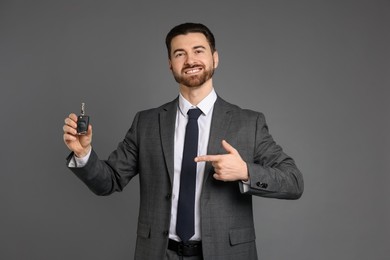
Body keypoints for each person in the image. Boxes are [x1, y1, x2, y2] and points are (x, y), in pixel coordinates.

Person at [63, 22, 304, 260]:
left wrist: (245, 172)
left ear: (215, 58)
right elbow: (109, 181)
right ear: (170, 64)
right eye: (180, 54)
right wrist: (83, 154)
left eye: (198, 51)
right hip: (159, 253)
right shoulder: (146, 123)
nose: (190, 60)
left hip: (227, 254)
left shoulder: (248, 123)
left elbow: (293, 182)